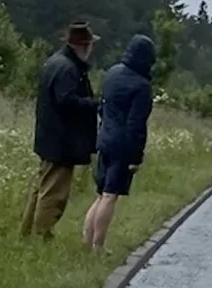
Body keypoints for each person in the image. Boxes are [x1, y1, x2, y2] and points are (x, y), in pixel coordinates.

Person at [23, 21, 101, 239]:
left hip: (50, 138)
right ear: (83, 46)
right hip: (62, 142)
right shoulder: (68, 68)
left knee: (41, 187)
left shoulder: (55, 62)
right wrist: (95, 104)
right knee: (54, 193)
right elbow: (66, 102)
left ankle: (27, 233)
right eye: (90, 45)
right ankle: (42, 236)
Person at [85, 35, 156, 251]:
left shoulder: (112, 73)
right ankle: (98, 246)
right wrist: (136, 157)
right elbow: (136, 124)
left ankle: (87, 241)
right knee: (110, 195)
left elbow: (101, 106)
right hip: (122, 145)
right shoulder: (142, 86)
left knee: (100, 193)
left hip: (104, 137)